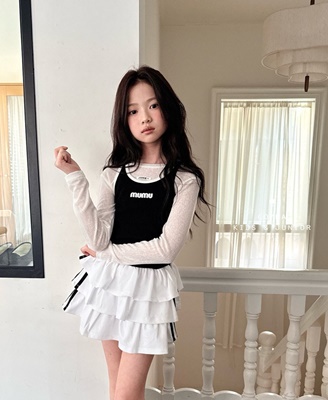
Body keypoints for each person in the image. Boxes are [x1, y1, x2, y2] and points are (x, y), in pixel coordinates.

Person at [54, 65, 209, 400]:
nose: (145, 117)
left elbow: (165, 250)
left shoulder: (184, 179)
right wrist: (75, 177)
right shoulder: (114, 174)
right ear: (124, 120)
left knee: (126, 393)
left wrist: (107, 254)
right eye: (133, 111)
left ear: (168, 109)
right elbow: (98, 238)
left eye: (153, 105)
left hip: (148, 289)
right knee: (116, 389)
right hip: (110, 283)